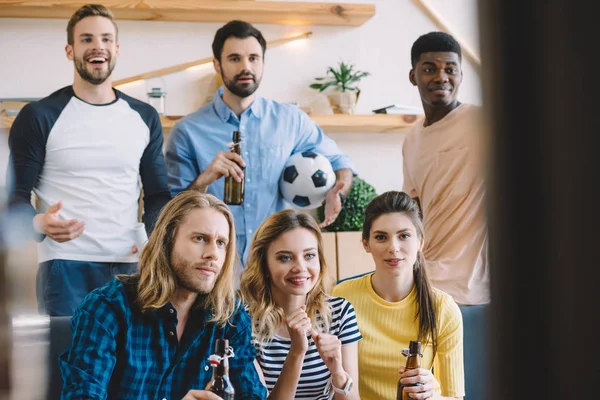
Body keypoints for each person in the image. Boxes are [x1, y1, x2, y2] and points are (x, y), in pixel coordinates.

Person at [7, 4, 171, 316]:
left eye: (106, 39)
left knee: (129, 364)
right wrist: (39, 222)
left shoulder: (144, 116)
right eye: (86, 39)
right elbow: (15, 200)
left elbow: (157, 196)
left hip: (130, 266)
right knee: (69, 362)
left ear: (117, 49)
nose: (98, 46)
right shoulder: (39, 116)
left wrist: (156, 244)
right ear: (70, 51)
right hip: (64, 267)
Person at [165, 20, 355, 264]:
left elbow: (339, 161)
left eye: (253, 58)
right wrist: (205, 179)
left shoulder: (291, 121)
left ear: (263, 63)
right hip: (213, 264)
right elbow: (172, 213)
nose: (246, 67)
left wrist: (338, 189)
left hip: (275, 262)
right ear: (217, 64)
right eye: (234, 58)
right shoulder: (188, 131)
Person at [59, 191, 267, 399]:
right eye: (200, 238)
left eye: (221, 243)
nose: (213, 253)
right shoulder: (107, 308)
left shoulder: (231, 319)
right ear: (167, 241)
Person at [333, 191, 464, 400]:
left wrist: (432, 395)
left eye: (404, 236)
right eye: (381, 237)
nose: (393, 248)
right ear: (366, 243)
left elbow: (455, 398)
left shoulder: (443, 308)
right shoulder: (342, 296)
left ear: (420, 242)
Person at [402, 31, 489, 306]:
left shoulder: (483, 123)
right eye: (430, 69)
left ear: (461, 75)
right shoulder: (412, 138)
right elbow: (414, 212)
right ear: (413, 76)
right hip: (427, 282)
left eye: (451, 69)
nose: (441, 77)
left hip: (476, 290)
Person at [240, 209, 361, 400]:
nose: (300, 268)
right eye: (285, 258)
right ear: (264, 264)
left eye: (309, 256)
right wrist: (296, 351)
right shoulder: (242, 323)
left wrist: (338, 372)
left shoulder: (340, 312)